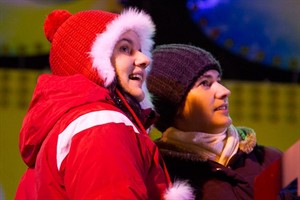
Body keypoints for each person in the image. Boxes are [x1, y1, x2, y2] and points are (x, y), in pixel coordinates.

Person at [15, 10, 194, 200]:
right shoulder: (101, 124)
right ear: (93, 62)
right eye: (125, 49)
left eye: (141, 50)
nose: (144, 59)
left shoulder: (71, 125)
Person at [146, 43, 293, 199]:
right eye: (205, 83)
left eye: (218, 81)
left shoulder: (271, 159)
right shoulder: (160, 175)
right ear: (173, 105)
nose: (224, 91)